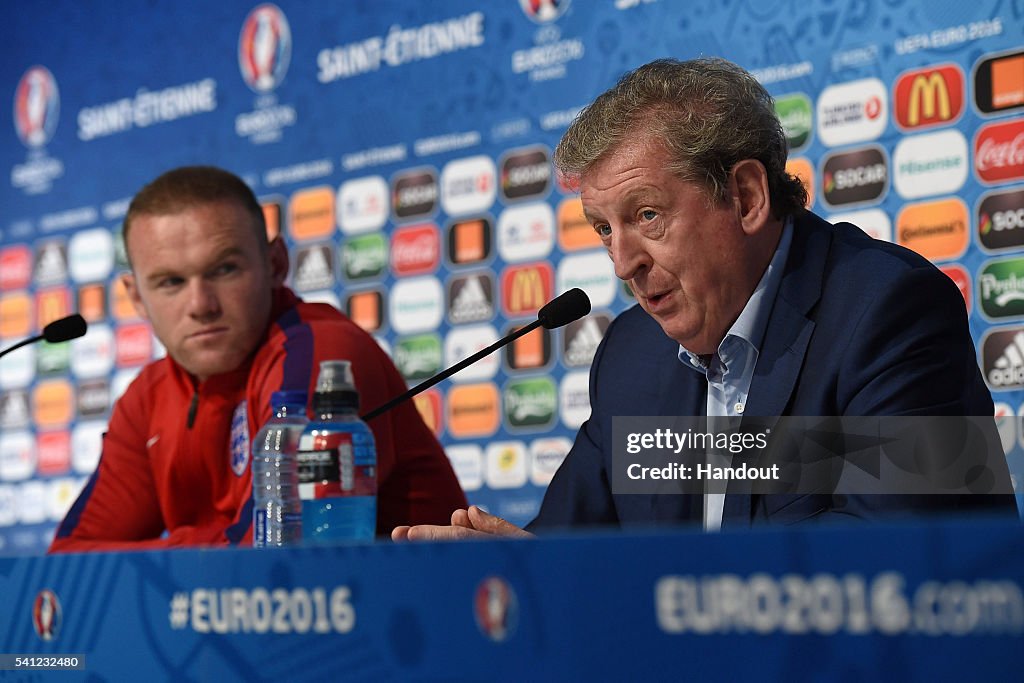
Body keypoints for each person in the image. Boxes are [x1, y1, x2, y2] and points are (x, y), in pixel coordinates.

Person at [393, 57, 1017, 542]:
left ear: (746, 197)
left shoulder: (890, 312)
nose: (623, 262)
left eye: (647, 214)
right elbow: (567, 553)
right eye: (605, 228)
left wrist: (642, 597)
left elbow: (891, 559)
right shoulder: (632, 357)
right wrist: (509, 573)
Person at [50, 166, 467, 552]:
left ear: (275, 265)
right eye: (171, 282)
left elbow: (280, 546)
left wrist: (162, 555)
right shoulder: (149, 395)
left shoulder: (321, 355)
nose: (200, 305)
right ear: (137, 297)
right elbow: (69, 562)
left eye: (224, 270)